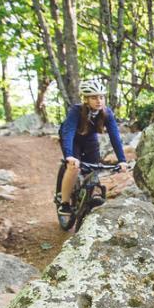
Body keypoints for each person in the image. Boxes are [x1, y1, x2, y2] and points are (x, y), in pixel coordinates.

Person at [57, 79, 128, 228]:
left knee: (94, 169)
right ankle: (64, 203)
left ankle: (86, 196)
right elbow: (68, 132)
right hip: (72, 139)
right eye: (94, 98)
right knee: (73, 167)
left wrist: (122, 160)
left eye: (101, 97)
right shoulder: (76, 111)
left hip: (90, 139)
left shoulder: (106, 113)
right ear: (86, 99)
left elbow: (115, 136)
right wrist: (69, 156)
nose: (99, 101)